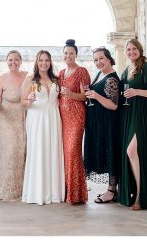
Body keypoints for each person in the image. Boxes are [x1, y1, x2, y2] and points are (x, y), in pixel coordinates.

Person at [118, 38, 147, 210]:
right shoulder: (126, 70)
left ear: (140, 50)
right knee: (130, 153)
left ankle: (140, 197)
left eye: (134, 49)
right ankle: (134, 191)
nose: (131, 52)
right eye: (128, 50)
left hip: (142, 113)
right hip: (127, 114)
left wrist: (136, 91)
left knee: (131, 150)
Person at [21, 50, 65, 205]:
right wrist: (30, 100)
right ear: (36, 62)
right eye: (41, 60)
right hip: (36, 118)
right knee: (38, 151)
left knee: (53, 151)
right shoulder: (30, 79)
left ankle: (54, 193)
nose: (44, 63)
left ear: (50, 62)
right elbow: (23, 103)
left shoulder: (56, 79)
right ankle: (37, 192)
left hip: (53, 117)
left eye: (47, 60)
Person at [83, 47, 122, 204]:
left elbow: (113, 105)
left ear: (109, 59)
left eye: (101, 59)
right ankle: (110, 190)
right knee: (104, 153)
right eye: (95, 60)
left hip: (108, 123)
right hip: (97, 122)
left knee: (110, 153)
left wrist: (96, 95)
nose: (98, 62)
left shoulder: (112, 78)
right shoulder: (100, 74)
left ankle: (112, 191)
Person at [0, 50, 27, 201]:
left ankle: (22, 189)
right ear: (6, 61)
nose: (13, 63)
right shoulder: (1, 79)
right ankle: (7, 190)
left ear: (21, 61)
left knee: (21, 153)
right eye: (10, 60)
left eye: (16, 60)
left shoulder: (26, 76)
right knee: (9, 153)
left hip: (22, 119)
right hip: (5, 119)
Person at [58, 39, 89, 204]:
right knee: (65, 154)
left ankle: (77, 194)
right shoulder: (61, 73)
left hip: (77, 116)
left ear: (76, 55)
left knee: (73, 152)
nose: (68, 56)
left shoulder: (81, 71)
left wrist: (72, 95)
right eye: (66, 53)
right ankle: (66, 191)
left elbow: (85, 96)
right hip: (62, 117)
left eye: (71, 53)